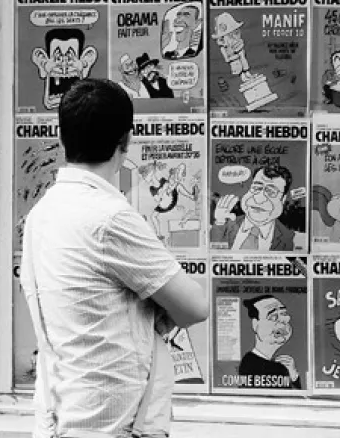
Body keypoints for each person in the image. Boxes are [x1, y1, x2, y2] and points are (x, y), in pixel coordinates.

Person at [20, 78, 209, 438]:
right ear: (126, 140)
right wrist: (158, 311)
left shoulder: (42, 213)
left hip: (59, 417)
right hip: (110, 424)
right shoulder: (110, 218)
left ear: (61, 139)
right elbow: (194, 307)